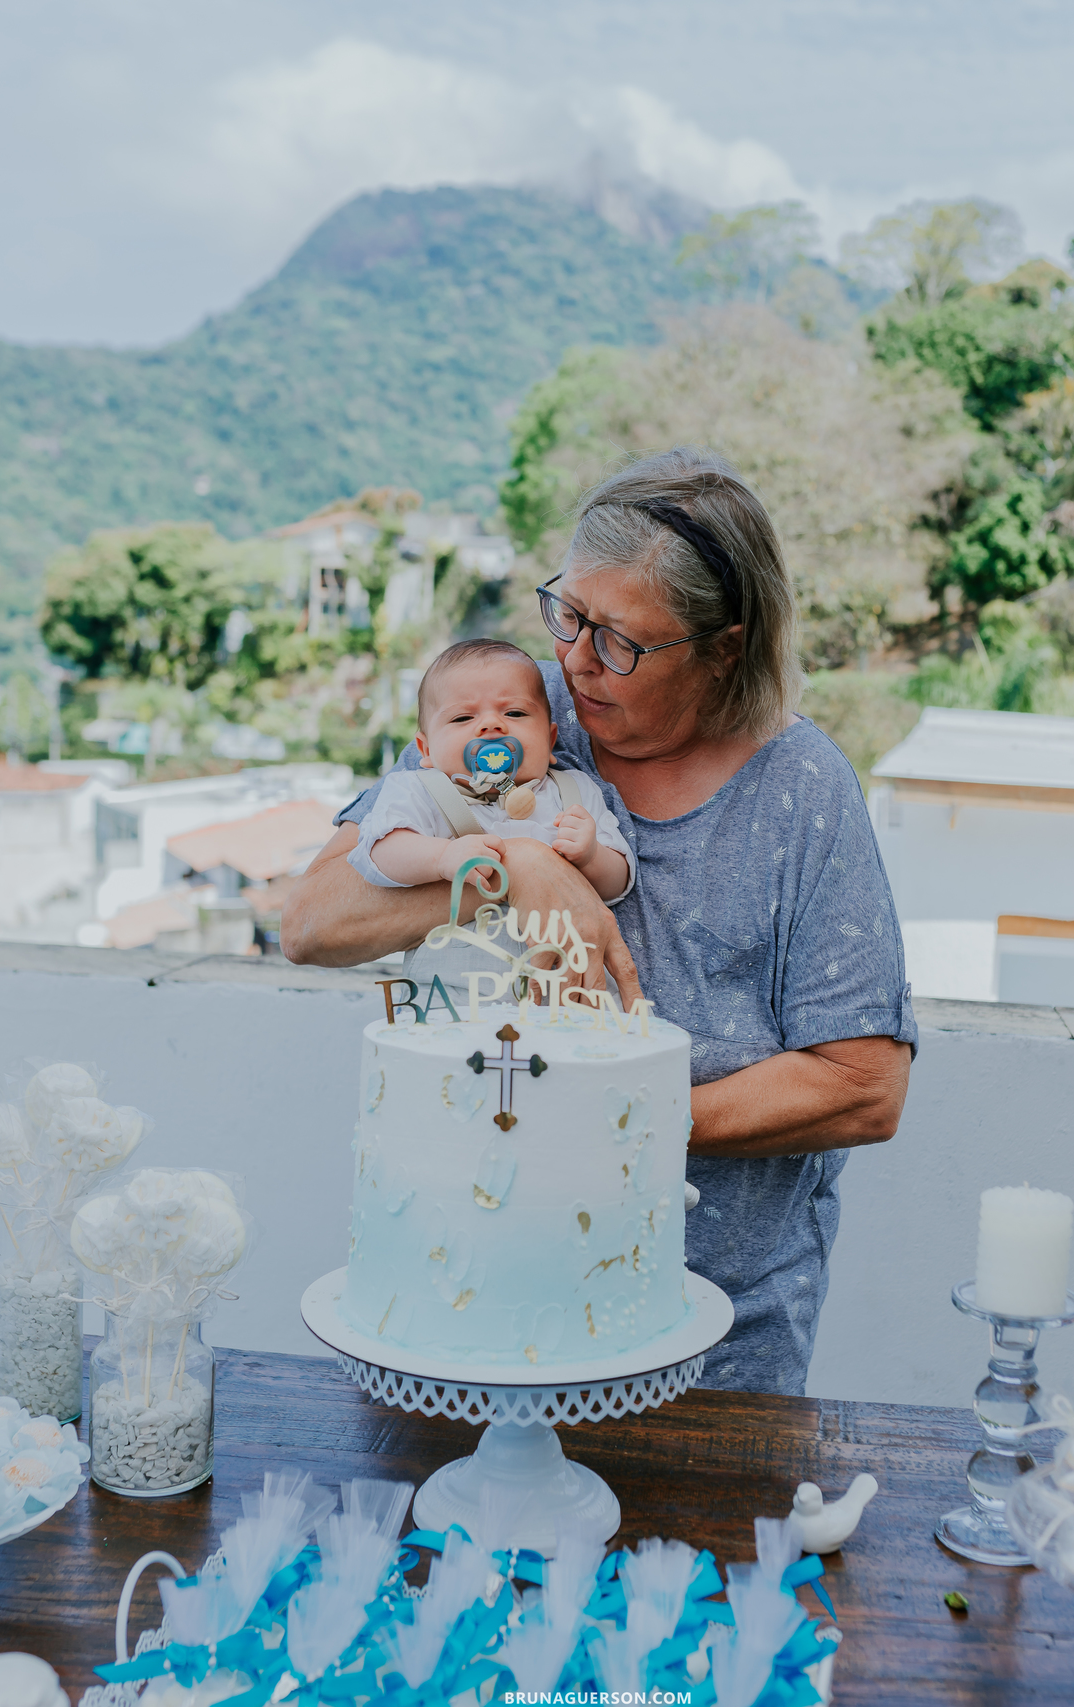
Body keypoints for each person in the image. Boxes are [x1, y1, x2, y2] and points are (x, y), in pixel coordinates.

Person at [282, 447, 916, 1394]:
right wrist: (520, 869)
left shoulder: (802, 790)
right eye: (569, 614)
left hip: (715, 1335)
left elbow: (863, 1086)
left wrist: (595, 1126)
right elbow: (311, 921)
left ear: (724, 647)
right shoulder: (510, 711)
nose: (576, 660)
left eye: (620, 641)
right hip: (472, 1299)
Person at [346, 638, 632, 902]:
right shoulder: (417, 791)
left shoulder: (575, 793)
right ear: (427, 750)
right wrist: (442, 857)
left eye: (514, 713)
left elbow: (619, 884)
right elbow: (378, 853)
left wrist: (592, 856)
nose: (491, 724)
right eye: (463, 717)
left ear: (549, 740)